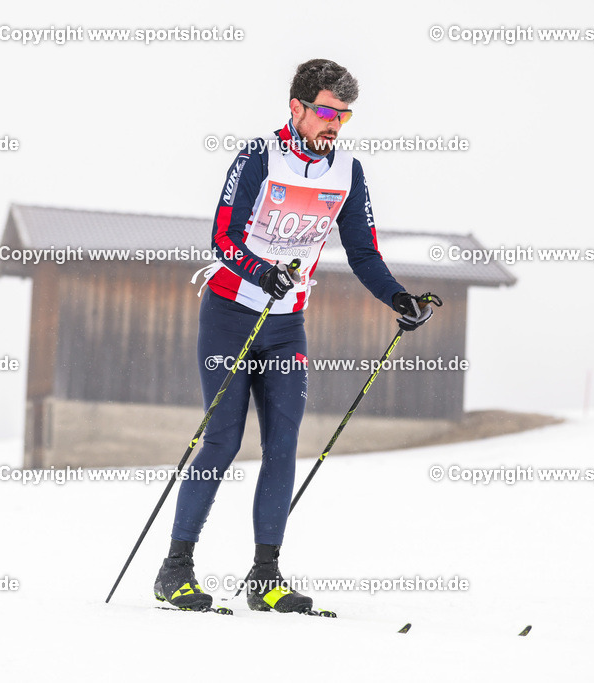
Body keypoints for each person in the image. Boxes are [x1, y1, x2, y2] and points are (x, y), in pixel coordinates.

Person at [154, 58, 434, 613]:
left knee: (282, 447)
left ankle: (265, 579)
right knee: (223, 441)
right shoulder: (258, 157)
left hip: (286, 326)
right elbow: (223, 237)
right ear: (297, 108)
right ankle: (175, 570)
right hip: (231, 315)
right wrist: (261, 272)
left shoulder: (348, 171)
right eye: (327, 112)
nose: (335, 124)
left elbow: (363, 252)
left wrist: (398, 298)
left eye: (344, 115)